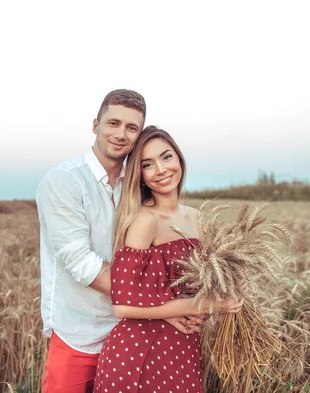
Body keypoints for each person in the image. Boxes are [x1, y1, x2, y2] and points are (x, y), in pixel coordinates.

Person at [36, 91, 204, 392]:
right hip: (79, 333)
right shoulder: (64, 182)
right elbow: (80, 262)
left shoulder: (140, 186)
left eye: (131, 128)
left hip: (138, 333)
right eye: (113, 123)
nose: (120, 134)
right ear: (95, 124)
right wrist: (169, 305)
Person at [93, 126, 244, 393]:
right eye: (148, 164)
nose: (161, 170)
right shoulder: (144, 220)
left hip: (182, 349)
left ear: (179, 158)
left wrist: (233, 285)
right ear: (139, 175)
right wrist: (211, 304)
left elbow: (203, 283)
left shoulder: (195, 217)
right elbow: (123, 307)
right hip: (140, 353)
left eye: (166, 157)